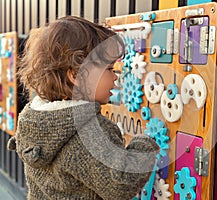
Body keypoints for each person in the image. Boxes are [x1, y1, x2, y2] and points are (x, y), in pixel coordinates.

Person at [7, 16, 159, 200]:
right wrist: (144, 145)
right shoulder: (88, 131)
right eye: (109, 69)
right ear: (75, 75)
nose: (115, 77)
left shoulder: (33, 120)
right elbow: (121, 183)